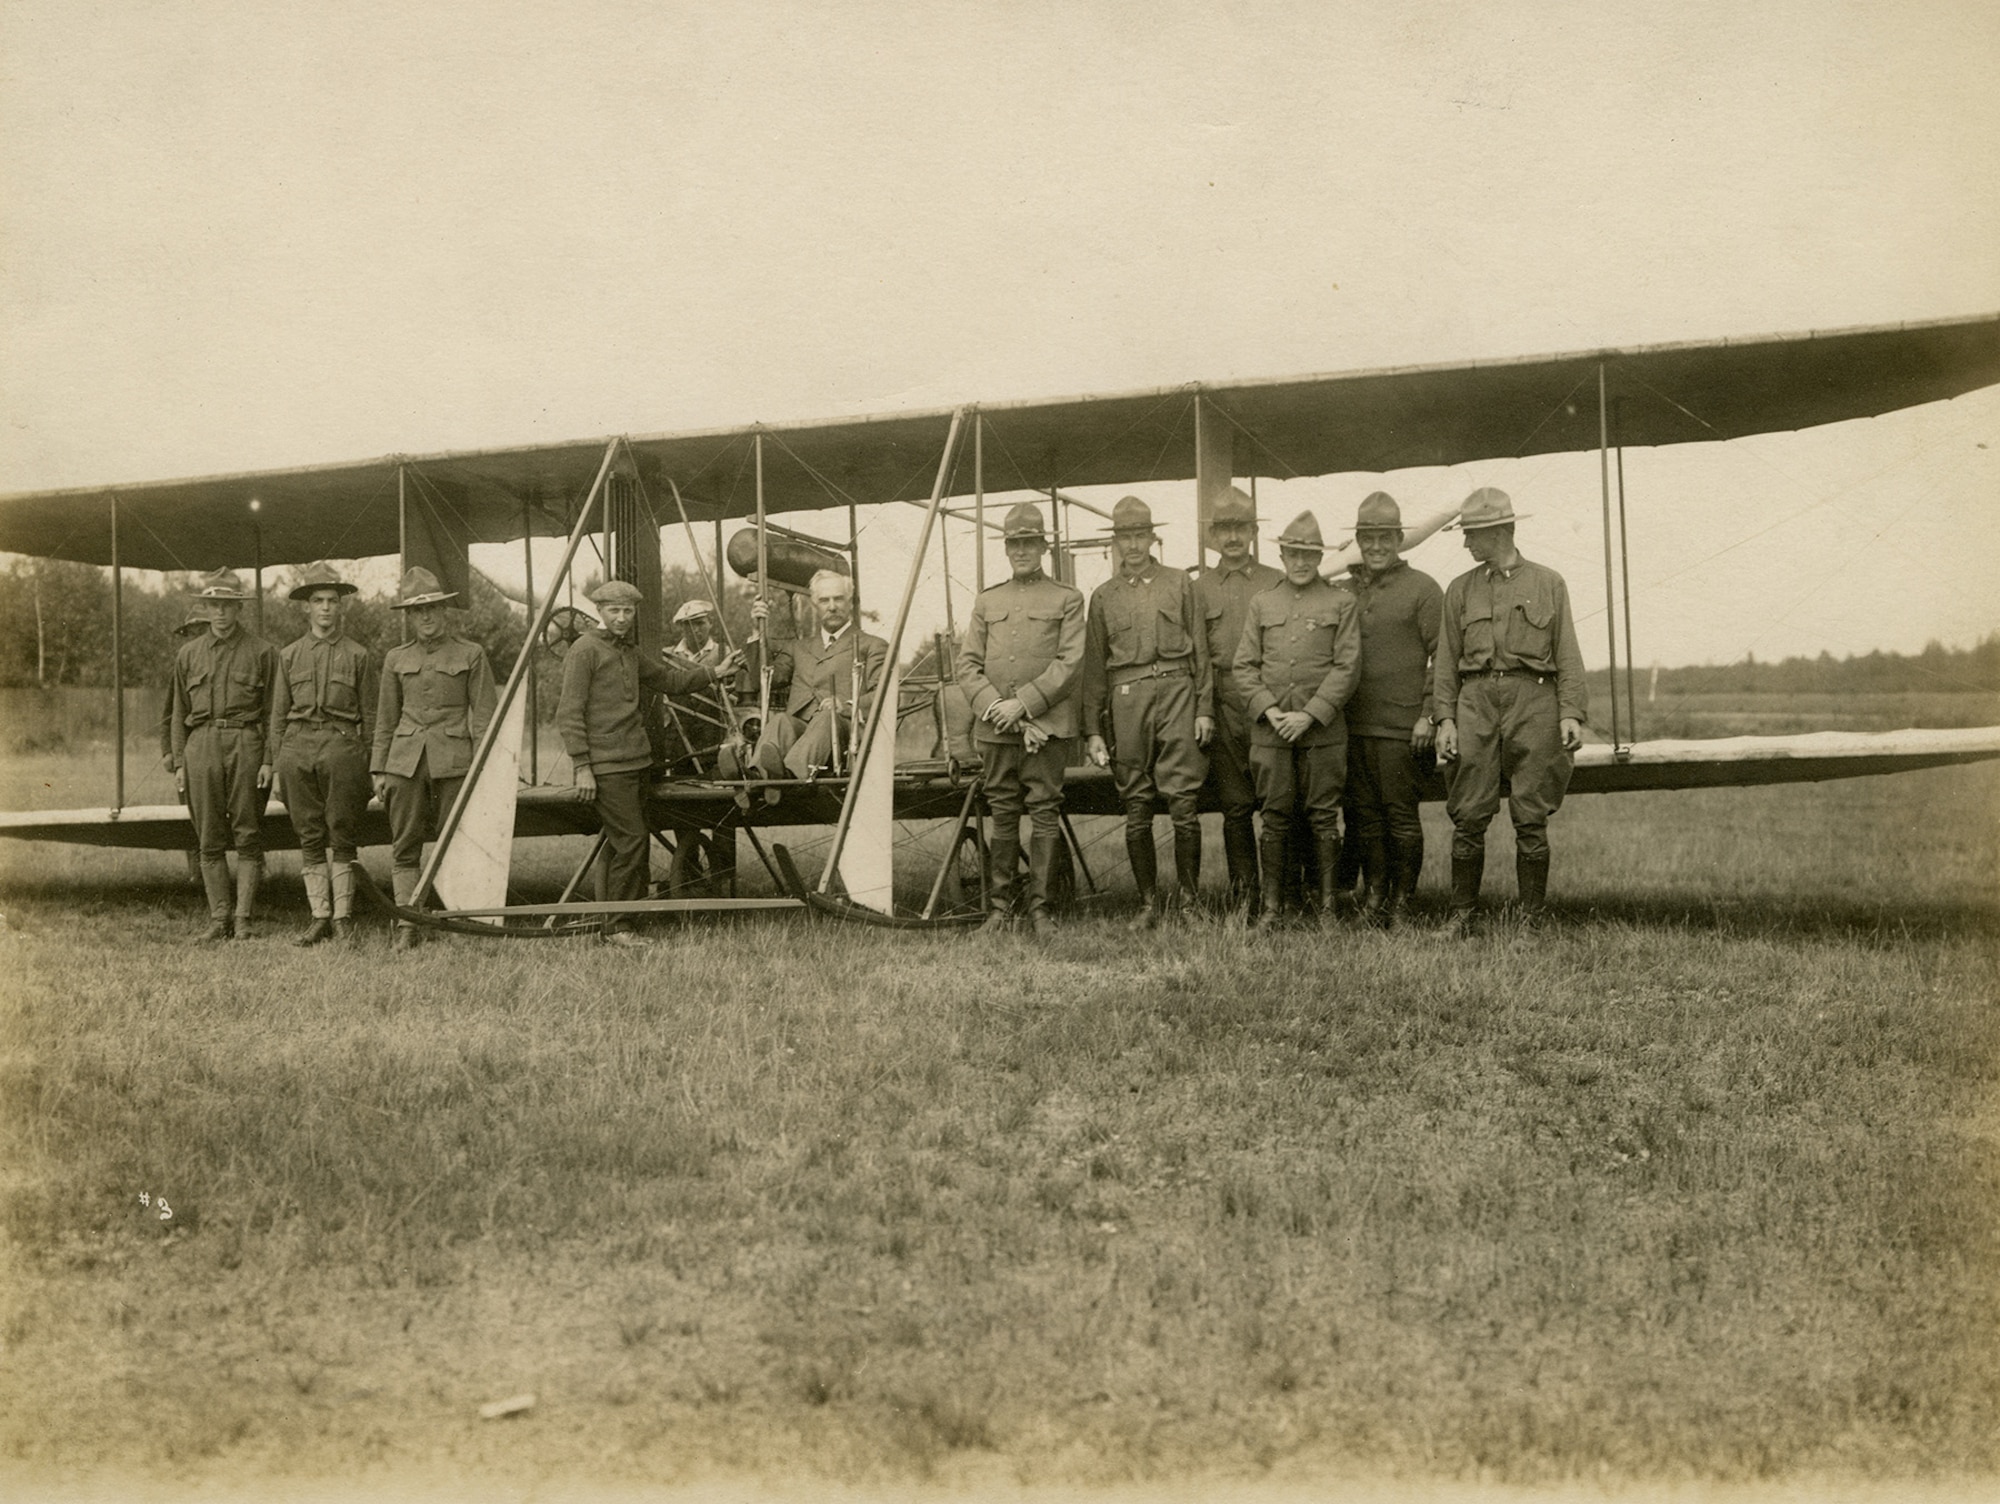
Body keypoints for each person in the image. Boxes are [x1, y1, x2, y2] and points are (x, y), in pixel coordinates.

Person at [1432, 487, 1587, 934]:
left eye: (1472, 535)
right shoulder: (1460, 590)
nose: (1466, 545)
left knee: (1531, 813)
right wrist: (1445, 718)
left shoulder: (1548, 583)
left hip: (1534, 703)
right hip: (1475, 704)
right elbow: (1445, 661)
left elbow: (1568, 654)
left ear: (1499, 531)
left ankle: (1532, 920)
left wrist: (1570, 711)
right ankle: (1462, 916)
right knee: (1467, 812)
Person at [557, 579, 744, 946]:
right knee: (632, 841)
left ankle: (616, 918)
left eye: (628, 611)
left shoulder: (628, 651)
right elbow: (569, 713)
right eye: (615, 611)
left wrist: (714, 673)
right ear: (600, 611)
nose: (622, 618)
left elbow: (669, 679)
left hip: (637, 762)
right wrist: (582, 766)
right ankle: (619, 927)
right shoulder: (584, 650)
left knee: (622, 843)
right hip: (607, 766)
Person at [1081, 495, 1213, 927]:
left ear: (1152, 538)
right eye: (1125, 537)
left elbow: (1202, 654)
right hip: (1126, 699)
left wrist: (1204, 709)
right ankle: (1148, 905)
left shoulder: (1179, 583)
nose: (1133, 545)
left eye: (1140, 536)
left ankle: (1190, 904)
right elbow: (1095, 667)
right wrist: (1093, 731)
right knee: (1136, 804)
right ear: (1115, 542)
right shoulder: (1103, 597)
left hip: (1178, 692)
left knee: (1183, 803)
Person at [956, 501, 1086, 935]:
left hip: (1047, 728)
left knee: (1045, 811)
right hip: (996, 729)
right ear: (1006, 548)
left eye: (1029, 542)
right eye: (1014, 543)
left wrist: (1026, 705)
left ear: (1043, 545)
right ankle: (999, 909)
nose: (1022, 551)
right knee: (1003, 812)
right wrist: (1000, 708)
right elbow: (968, 665)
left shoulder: (1067, 598)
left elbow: (1070, 663)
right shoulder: (987, 600)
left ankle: (1041, 910)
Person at [1234, 511, 1361, 926]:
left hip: (1322, 730)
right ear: (1283, 555)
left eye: (1309, 554)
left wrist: (1309, 715)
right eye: (1294, 553)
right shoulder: (1263, 602)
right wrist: (1270, 711)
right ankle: (1272, 909)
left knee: (1324, 816)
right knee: (1274, 816)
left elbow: (1348, 668)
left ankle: (1326, 908)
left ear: (1319, 557)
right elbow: (1244, 666)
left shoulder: (1341, 602)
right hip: (1270, 732)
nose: (1301, 562)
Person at [371, 567, 498, 951]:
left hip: (456, 761)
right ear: (409, 617)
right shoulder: (395, 659)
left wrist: (483, 770)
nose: (426, 617)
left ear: (445, 611)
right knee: (405, 843)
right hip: (405, 763)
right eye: (417, 611)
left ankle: (458, 920)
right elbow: (386, 719)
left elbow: (486, 717)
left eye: (432, 609)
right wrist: (379, 768)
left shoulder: (470, 654)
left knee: (457, 841)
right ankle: (408, 923)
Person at [1337, 492, 1443, 925]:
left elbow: (1444, 657)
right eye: (1368, 537)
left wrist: (1429, 713)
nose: (1376, 546)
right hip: (1352, 726)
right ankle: (1375, 897)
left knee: (1400, 816)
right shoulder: (1344, 591)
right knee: (1364, 817)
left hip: (1404, 728)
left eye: (1385, 537)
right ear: (1358, 540)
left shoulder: (1423, 589)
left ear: (1401, 538)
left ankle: (1403, 903)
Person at [169, 570, 283, 941]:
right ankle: (220, 919)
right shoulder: (188, 654)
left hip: (246, 744)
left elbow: (273, 713)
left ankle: (244, 919)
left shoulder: (263, 652)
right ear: (205, 608)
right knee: (208, 837)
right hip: (200, 746)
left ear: (238, 609)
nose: (220, 613)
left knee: (248, 833)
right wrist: (180, 762)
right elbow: (177, 713)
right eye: (214, 605)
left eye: (227, 606)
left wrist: (268, 759)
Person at [274, 561, 378, 945]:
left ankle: (344, 917)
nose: (325, 608)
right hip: (297, 748)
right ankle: (319, 916)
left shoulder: (358, 656)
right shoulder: (289, 656)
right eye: (317, 600)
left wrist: (372, 764)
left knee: (343, 831)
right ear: (307, 607)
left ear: (341, 606)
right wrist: (276, 761)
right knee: (309, 834)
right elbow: (277, 716)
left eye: (332, 600)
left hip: (343, 748)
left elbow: (372, 716)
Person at [1192, 484, 1284, 919]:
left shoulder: (1275, 581)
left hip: (1269, 704)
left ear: (1252, 532)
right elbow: (1198, 657)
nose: (1232, 538)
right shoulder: (1198, 589)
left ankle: (1283, 895)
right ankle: (1244, 896)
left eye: (1240, 528)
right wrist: (1205, 710)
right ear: (1213, 535)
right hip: (1224, 705)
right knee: (1235, 807)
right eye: (1224, 529)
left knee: (1280, 804)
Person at [748, 570, 886, 781]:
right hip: (800, 730)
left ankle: (788, 776)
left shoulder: (872, 645)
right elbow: (764, 681)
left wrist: (846, 705)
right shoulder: (799, 647)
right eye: (824, 600)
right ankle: (754, 775)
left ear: (850, 601)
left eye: (838, 599)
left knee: (825, 718)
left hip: (842, 733)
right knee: (780, 722)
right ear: (814, 605)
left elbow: (884, 695)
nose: (832, 606)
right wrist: (757, 632)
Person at [159, 604, 215, 885]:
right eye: (190, 633)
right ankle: (197, 872)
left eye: (200, 631)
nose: (195, 637)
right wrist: (168, 751)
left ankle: (255, 864)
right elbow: (171, 713)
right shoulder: (184, 664)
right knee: (192, 811)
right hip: (192, 747)